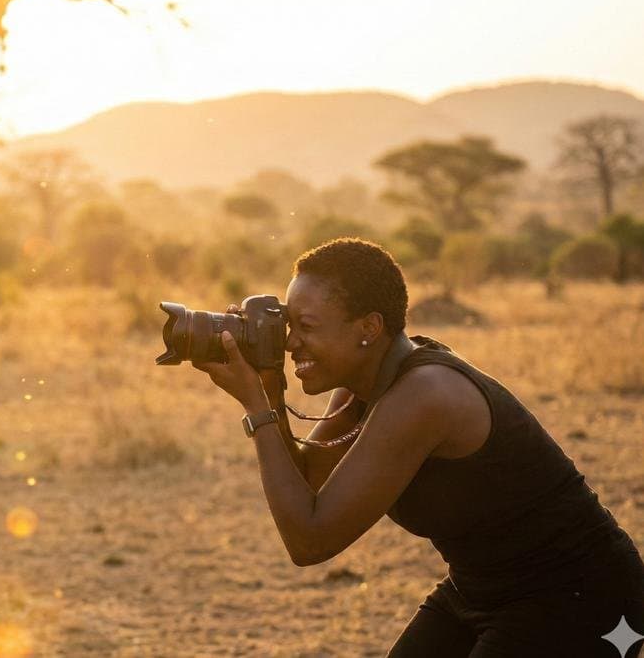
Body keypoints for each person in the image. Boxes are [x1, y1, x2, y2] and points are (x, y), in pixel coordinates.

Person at [193, 238, 644, 656]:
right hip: (478, 588)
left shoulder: (426, 394)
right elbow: (308, 479)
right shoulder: (360, 387)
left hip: (581, 596)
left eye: (306, 327)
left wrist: (256, 407)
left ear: (369, 327)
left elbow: (310, 541)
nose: (291, 342)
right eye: (288, 326)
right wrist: (269, 385)